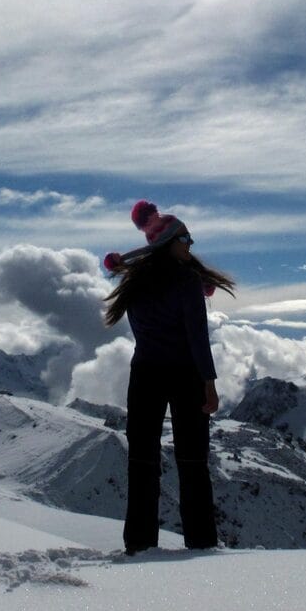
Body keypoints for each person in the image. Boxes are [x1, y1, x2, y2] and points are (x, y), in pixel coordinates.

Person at [102, 200, 235, 555]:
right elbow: (197, 337)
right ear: (171, 242)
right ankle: (202, 542)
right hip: (186, 376)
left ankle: (139, 543)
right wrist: (209, 382)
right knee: (193, 463)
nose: (190, 245)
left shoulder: (136, 283)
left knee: (141, 462)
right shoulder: (187, 282)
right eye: (186, 239)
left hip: (144, 373)